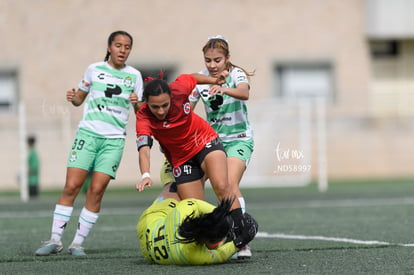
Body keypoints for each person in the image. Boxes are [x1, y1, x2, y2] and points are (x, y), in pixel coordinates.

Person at [35, 30, 143, 256]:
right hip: (88, 134)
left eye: (127, 47)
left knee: (96, 190)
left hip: (114, 140)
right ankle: (55, 239)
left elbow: (141, 110)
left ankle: (77, 244)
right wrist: (72, 96)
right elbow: (78, 101)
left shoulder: (134, 76)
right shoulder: (94, 69)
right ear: (109, 47)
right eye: (118, 45)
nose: (123, 50)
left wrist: (137, 103)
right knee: (71, 186)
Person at [135, 73, 249, 239]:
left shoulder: (179, 89)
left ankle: (241, 234)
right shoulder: (143, 117)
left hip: (205, 141)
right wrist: (145, 174)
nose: (161, 111)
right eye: (155, 107)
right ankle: (216, 239)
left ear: (171, 97)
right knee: (195, 207)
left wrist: (214, 81)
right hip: (181, 160)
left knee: (222, 186)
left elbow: (193, 78)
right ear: (147, 103)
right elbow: (144, 148)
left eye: (165, 105)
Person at [188, 35, 255, 259]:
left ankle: (242, 240)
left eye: (217, 60)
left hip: (238, 139)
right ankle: (195, 237)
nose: (212, 65)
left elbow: (244, 93)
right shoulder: (201, 79)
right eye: (208, 60)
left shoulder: (236, 74)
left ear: (227, 58)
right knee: (188, 186)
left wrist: (224, 89)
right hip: (213, 143)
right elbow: (185, 108)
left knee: (229, 184)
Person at [136, 182, 258, 265]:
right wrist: (240, 241)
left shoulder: (184, 210)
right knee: (176, 184)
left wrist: (227, 218)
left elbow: (201, 206)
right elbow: (219, 256)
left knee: (176, 186)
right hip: (148, 240)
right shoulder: (190, 256)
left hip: (150, 223)